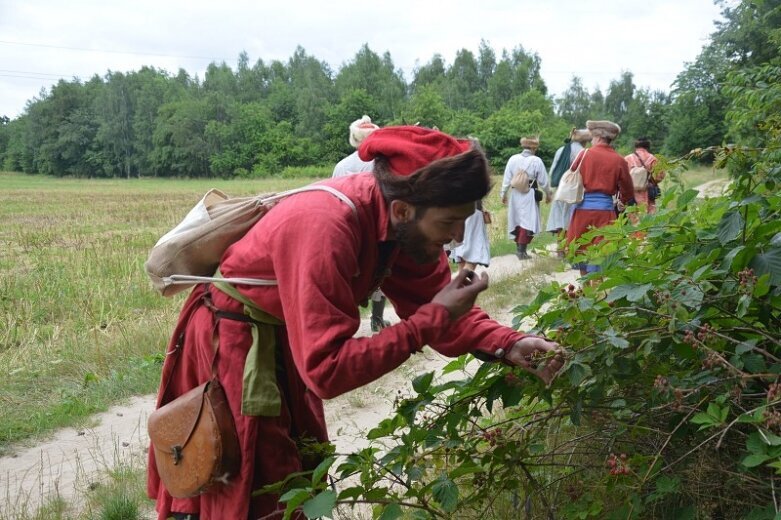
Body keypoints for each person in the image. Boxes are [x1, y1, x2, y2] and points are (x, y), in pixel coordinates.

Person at [148, 126, 566, 520]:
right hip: (235, 344)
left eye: (465, 219)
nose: (457, 237)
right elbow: (328, 371)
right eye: (448, 222)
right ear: (402, 209)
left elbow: (438, 303)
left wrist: (509, 344)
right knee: (243, 477)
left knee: (297, 467)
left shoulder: (401, 227)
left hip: (287, 341)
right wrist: (430, 319)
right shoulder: (325, 225)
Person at [332, 115, 389, 332]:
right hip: (374, 228)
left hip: (345, 227)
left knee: (345, 277)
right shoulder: (382, 164)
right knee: (378, 274)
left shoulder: (342, 165)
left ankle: (343, 325)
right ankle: (376, 320)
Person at [566, 121, 635, 276]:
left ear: (597, 136)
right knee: (601, 255)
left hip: (582, 211)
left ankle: (585, 293)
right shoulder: (619, 160)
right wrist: (623, 201)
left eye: (592, 136)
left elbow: (572, 175)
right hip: (605, 213)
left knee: (582, 251)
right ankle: (597, 294)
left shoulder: (584, 154)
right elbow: (628, 191)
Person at [500, 136, 549, 260]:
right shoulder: (536, 160)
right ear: (534, 147)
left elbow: (506, 179)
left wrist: (503, 194)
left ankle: (520, 250)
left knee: (516, 220)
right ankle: (521, 251)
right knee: (527, 222)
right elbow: (544, 180)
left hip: (515, 194)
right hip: (529, 194)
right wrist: (549, 193)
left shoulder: (513, 159)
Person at [545, 129, 592, 256]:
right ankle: (569, 250)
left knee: (560, 220)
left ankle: (560, 250)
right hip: (573, 190)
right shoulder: (583, 152)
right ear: (584, 141)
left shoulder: (561, 150)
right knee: (570, 220)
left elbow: (552, 171)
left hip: (560, 188)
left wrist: (551, 189)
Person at [624, 136, 665, 214]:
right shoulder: (653, 159)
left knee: (634, 217)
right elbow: (659, 177)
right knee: (649, 218)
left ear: (635, 146)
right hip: (648, 193)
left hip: (632, 194)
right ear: (648, 146)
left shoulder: (627, 158)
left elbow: (622, 178)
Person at [451, 199, 491, 271]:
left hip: (456, 210)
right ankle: (463, 278)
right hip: (472, 210)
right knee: (473, 254)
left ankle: (461, 279)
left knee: (461, 250)